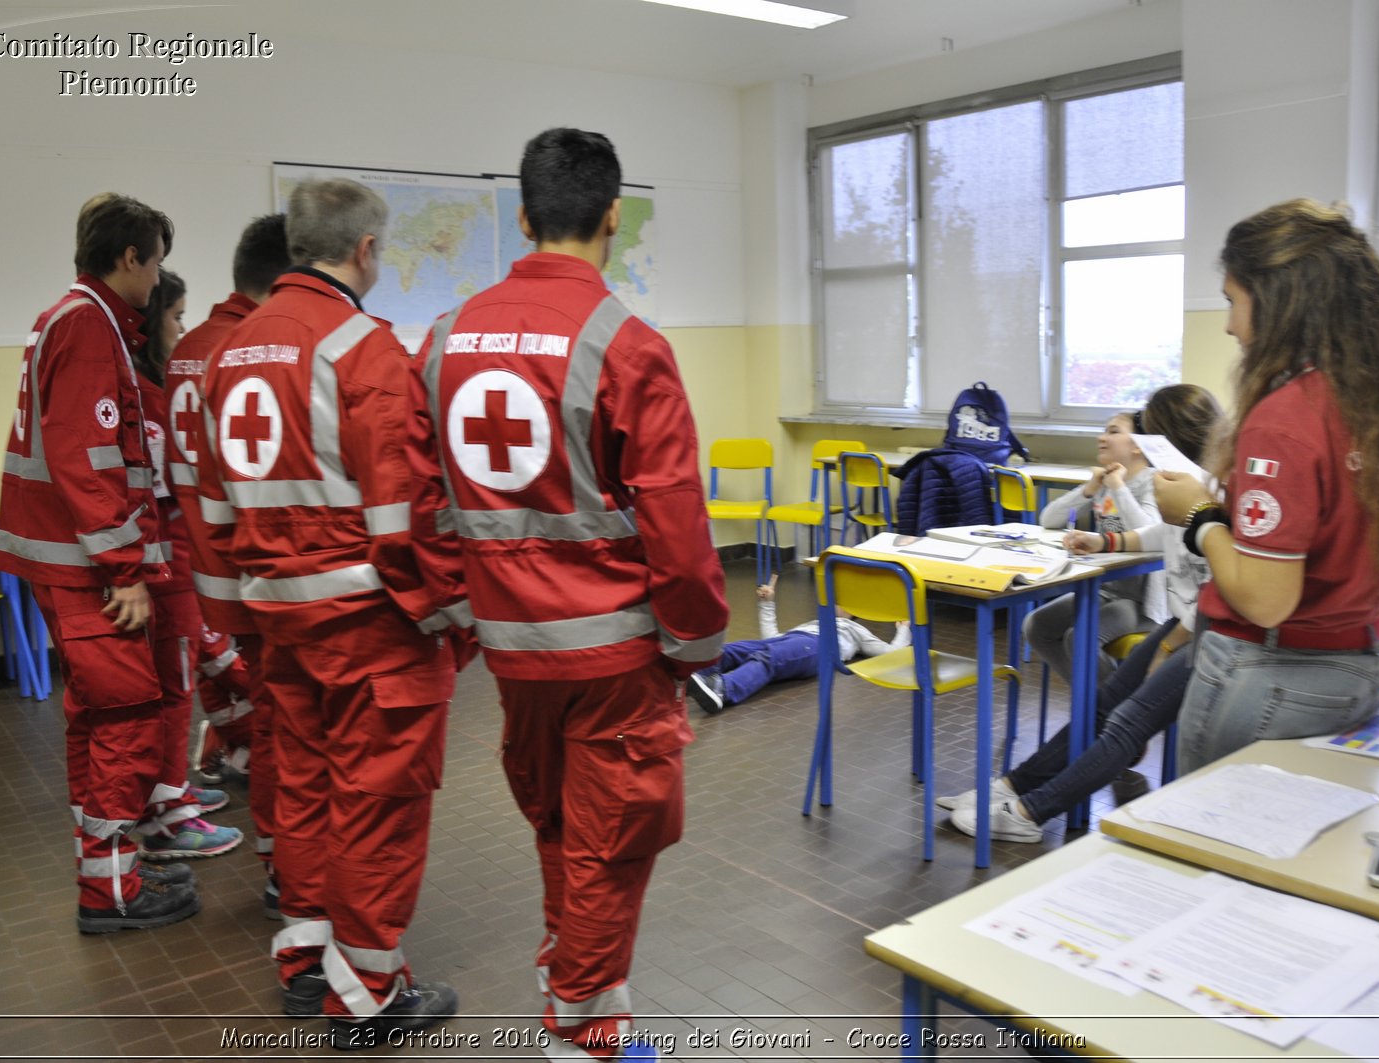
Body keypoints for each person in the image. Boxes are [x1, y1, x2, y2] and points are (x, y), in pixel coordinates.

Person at [409, 128, 729, 1062]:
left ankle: (578, 988)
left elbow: (420, 499)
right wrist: (699, 643)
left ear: (521, 215)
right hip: (616, 652)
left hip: (512, 648)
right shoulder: (627, 344)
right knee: (610, 841)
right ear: (613, 217)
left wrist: (458, 612)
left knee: (563, 823)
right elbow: (675, 520)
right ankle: (580, 1031)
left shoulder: (442, 338)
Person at [198, 178, 466, 1039]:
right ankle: (371, 994)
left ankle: (310, 963)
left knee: (306, 793)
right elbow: (405, 520)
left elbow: (208, 514)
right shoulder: (364, 349)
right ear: (364, 251)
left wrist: (241, 620)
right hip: (369, 625)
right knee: (379, 803)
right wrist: (449, 620)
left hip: (277, 622)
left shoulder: (230, 351)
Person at [1155, 199, 1379, 772]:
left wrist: (1200, 515)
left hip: (1272, 675)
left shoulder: (1284, 420)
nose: (1228, 324)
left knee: (1212, 849)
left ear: (1280, 301)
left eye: (1233, 301)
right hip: (1364, 657)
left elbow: (1265, 599)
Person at [0, 192, 199, 933]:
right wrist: (124, 569)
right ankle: (113, 889)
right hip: (88, 569)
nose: (158, 280)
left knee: (93, 716)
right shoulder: (88, 324)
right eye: (157, 263)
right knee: (130, 714)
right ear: (130, 258)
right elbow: (89, 455)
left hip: (66, 562)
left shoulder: (70, 316)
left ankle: (107, 868)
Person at [946, 385, 1223, 842]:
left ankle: (1029, 813)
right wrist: (1106, 541)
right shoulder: (1183, 485)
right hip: (1184, 624)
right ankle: (1011, 786)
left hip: (1205, 633)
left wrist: (1171, 644)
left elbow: (1220, 583)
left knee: (1126, 720)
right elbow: (1161, 534)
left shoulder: (1212, 491)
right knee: (1101, 706)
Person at [166, 213, 290, 904]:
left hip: (199, 558)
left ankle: (277, 854)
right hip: (256, 570)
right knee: (287, 722)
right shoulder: (254, 348)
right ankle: (288, 869)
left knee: (256, 706)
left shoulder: (191, 347)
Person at [131, 269, 244, 860]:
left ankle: (173, 793)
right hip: (168, 567)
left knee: (183, 681)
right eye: (176, 317)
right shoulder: (150, 397)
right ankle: (169, 815)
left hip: (175, 563)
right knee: (174, 688)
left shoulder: (155, 387)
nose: (183, 328)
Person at [1022, 410, 1165, 687]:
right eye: (1104, 430)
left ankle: (1110, 709)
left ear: (1137, 445)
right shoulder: (1106, 482)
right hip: (1105, 589)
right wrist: (1089, 488)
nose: (1102, 437)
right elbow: (1049, 519)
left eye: (1113, 431)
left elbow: (1149, 533)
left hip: (1141, 601)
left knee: (1080, 638)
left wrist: (1119, 488)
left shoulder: (1151, 482)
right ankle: (1092, 700)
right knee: (1036, 627)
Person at [686, 574, 909, 714]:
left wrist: (904, 629)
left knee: (768, 659)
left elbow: (891, 653)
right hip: (791, 640)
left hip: (818, 648)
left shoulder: (854, 630)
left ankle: (724, 690)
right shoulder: (812, 622)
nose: (834, 603)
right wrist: (768, 603)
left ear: (853, 613)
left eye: (842, 603)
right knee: (735, 650)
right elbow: (772, 638)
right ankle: (697, 677)